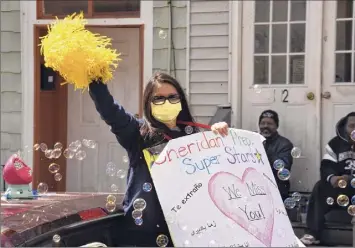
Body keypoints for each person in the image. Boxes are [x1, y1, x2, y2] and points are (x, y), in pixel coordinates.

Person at [88, 72, 229, 247]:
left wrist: (220, 135)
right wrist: (95, 80)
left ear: (181, 100)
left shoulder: (193, 136)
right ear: (149, 103)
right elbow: (110, 110)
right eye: (159, 99)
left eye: (172, 97)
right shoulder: (137, 133)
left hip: (185, 231)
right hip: (143, 233)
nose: (167, 102)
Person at [300, 112, 355, 246]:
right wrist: (332, 178)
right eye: (352, 126)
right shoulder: (335, 144)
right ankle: (313, 232)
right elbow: (326, 166)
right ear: (345, 128)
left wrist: (350, 177)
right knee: (320, 186)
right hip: (341, 190)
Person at [258, 110, 294, 201]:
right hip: (255, 185)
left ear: (276, 126)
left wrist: (264, 151)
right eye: (263, 123)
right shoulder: (252, 141)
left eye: (270, 123)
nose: (265, 126)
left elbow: (284, 169)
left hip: (276, 188)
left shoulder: (285, 144)